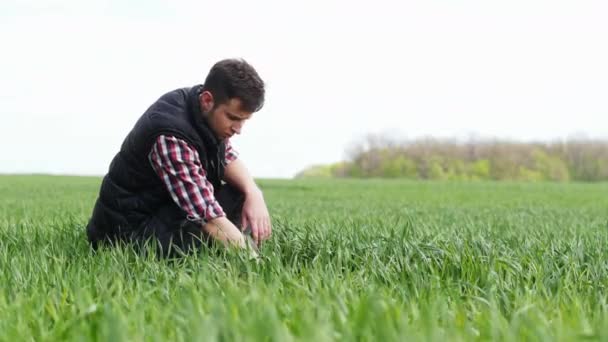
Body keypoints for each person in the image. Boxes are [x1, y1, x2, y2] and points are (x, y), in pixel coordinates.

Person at [86, 58, 271, 258]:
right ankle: (235, 255)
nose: (238, 129)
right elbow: (207, 215)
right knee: (212, 226)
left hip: (162, 213)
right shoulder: (171, 135)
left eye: (244, 120)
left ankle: (228, 251)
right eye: (233, 118)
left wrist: (254, 192)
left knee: (240, 192)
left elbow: (225, 157)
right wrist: (254, 263)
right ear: (208, 100)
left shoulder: (201, 111)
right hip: (125, 236)